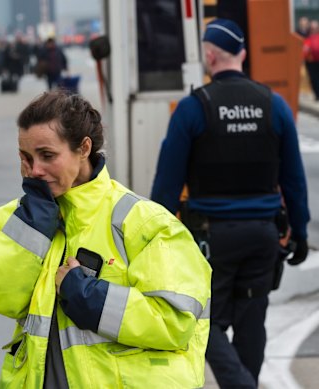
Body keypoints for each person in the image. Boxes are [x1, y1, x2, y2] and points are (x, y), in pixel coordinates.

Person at [0, 90, 211, 388]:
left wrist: (89, 296)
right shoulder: (17, 219)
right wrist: (34, 223)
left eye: (47, 156)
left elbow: (176, 322)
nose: (35, 170)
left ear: (84, 148)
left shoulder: (143, 222)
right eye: (26, 157)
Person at [151, 19, 310, 389]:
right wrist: (299, 232)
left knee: (205, 322)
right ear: (242, 54)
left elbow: (166, 187)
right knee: (253, 321)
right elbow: (294, 180)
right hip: (263, 237)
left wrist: (155, 243)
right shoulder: (274, 105)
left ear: (209, 56)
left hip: (210, 239)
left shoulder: (193, 109)